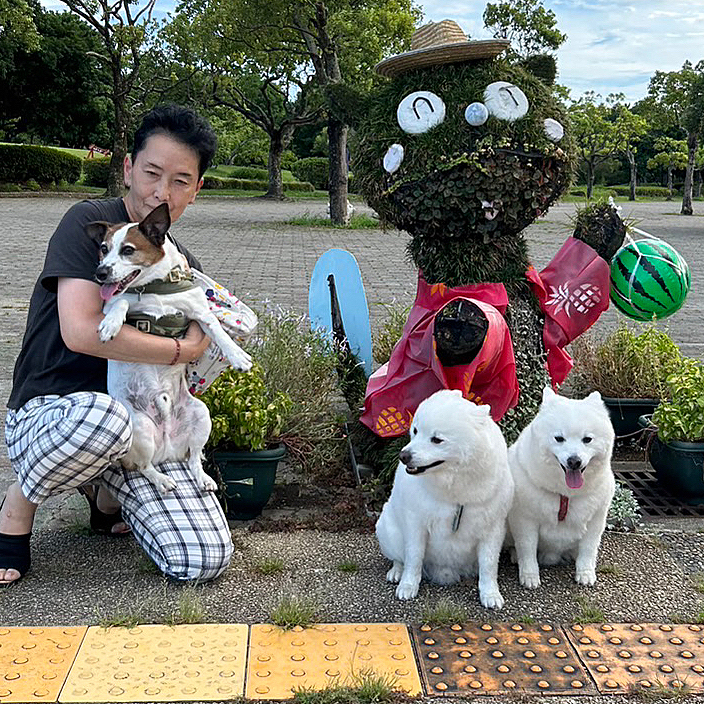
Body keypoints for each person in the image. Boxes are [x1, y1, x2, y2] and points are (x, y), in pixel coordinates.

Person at [0, 104, 234, 585]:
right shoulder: (89, 224)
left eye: (180, 181)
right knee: (105, 419)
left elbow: (218, 316)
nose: (159, 193)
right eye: (151, 173)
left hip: (139, 421)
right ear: (128, 168)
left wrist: (209, 334)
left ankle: (104, 494)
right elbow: (82, 332)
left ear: (196, 190)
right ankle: (16, 504)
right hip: (57, 412)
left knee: (202, 558)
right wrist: (182, 350)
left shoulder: (176, 258)